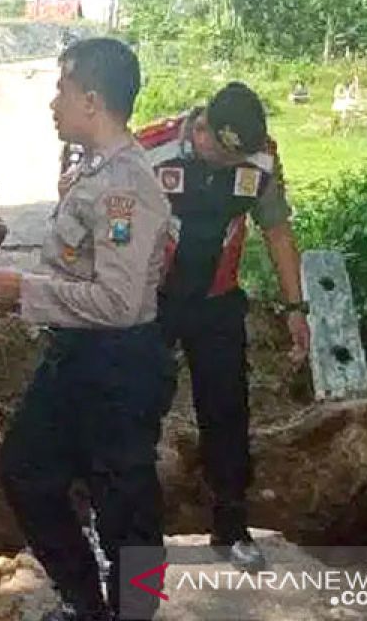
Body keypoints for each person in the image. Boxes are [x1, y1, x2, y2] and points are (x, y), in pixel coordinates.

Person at [0, 38, 175, 621]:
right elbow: (79, 266)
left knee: (127, 510)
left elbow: (116, 301)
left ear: (92, 99)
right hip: (76, 356)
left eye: (60, 89)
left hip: (117, 363)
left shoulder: (124, 187)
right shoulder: (93, 171)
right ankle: (86, 602)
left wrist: (25, 291)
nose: (51, 102)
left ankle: (135, 612)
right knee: (26, 467)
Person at [135, 81, 309, 572]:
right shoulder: (153, 149)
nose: (234, 167)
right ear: (204, 130)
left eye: (241, 160)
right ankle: (134, 531)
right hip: (152, 303)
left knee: (228, 413)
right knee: (136, 409)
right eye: (224, 156)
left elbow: (277, 230)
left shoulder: (261, 159)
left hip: (216, 301)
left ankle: (231, 527)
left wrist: (297, 308)